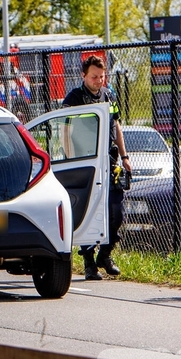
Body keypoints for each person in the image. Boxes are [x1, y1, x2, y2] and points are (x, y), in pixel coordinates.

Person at [62, 55, 131, 281]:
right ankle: (89, 263)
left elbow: (116, 125)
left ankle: (105, 254)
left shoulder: (109, 95)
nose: (98, 81)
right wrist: (71, 159)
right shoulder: (74, 98)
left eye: (101, 76)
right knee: (89, 212)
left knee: (116, 211)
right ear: (84, 76)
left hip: (109, 162)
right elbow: (65, 130)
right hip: (85, 162)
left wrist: (125, 156)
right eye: (94, 77)